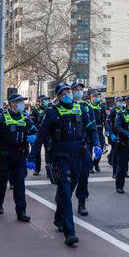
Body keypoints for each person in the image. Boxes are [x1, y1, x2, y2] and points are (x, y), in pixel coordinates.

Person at [28, 83, 101, 246]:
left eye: (70, 91)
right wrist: (32, 157)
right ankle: (70, 232)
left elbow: (92, 129)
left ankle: (58, 218)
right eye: (65, 92)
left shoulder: (82, 109)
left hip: (79, 158)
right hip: (60, 159)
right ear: (59, 96)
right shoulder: (52, 113)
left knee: (68, 190)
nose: (69, 94)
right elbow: (40, 137)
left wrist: (96, 144)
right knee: (66, 194)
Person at [0, 93, 38, 221]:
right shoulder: (1, 118)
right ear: (11, 103)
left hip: (20, 155)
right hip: (4, 155)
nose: (21, 104)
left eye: (22, 101)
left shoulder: (25, 118)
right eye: (18, 101)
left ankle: (21, 211)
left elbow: (35, 131)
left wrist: (34, 137)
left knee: (20, 183)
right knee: (2, 182)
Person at [72, 82, 95, 215]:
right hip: (68, 150)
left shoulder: (87, 107)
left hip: (84, 147)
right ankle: (62, 202)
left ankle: (82, 203)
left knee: (83, 177)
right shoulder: (64, 107)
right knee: (69, 180)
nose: (79, 91)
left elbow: (92, 128)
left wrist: (97, 144)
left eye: (81, 89)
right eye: (76, 89)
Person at [88, 90, 106, 172]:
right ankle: (90, 166)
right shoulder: (87, 106)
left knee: (100, 147)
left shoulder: (101, 106)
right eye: (95, 96)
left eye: (98, 96)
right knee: (89, 148)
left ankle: (96, 163)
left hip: (99, 130)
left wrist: (106, 130)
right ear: (91, 97)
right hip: (89, 130)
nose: (96, 98)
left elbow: (105, 119)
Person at [106, 96, 123, 179]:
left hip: (123, 135)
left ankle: (124, 171)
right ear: (116, 102)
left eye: (121, 101)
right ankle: (114, 172)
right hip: (114, 134)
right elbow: (108, 122)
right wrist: (110, 132)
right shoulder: (113, 111)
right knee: (116, 154)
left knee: (123, 154)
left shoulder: (124, 110)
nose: (120, 103)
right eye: (119, 101)